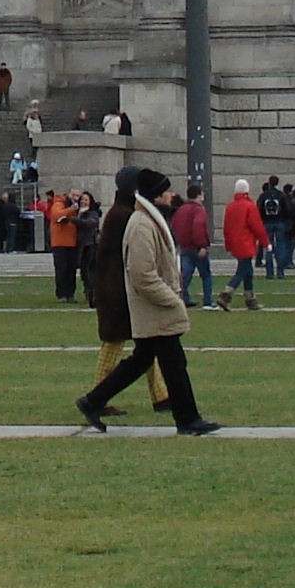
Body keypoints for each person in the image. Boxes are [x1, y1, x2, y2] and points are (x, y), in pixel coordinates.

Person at [76, 169, 220, 436]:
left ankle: (93, 400)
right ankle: (188, 419)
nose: (171, 195)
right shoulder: (141, 225)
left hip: (152, 307)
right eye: (166, 191)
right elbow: (142, 274)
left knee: (142, 360)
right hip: (153, 307)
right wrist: (173, 300)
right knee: (174, 363)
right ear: (156, 196)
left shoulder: (146, 220)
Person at [82, 166, 172, 418]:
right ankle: (97, 397)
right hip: (118, 294)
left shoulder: (122, 213)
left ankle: (161, 395)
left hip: (119, 292)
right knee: (114, 345)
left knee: (147, 345)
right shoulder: (124, 216)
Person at [216, 178, 268, 310]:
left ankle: (250, 299)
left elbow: (226, 228)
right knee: (243, 270)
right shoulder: (250, 206)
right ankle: (226, 294)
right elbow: (257, 227)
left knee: (247, 271)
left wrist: (228, 244)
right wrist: (266, 242)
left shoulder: (230, 207)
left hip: (235, 243)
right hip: (246, 243)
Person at [173, 183, 215, 309]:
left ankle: (183, 298)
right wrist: (202, 245)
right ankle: (208, 301)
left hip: (184, 246)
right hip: (196, 247)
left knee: (185, 275)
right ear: (199, 195)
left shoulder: (181, 209)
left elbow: (175, 225)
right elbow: (198, 227)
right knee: (206, 275)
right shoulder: (198, 209)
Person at [48, 190, 80, 302]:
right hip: (60, 243)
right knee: (61, 270)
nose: (75, 198)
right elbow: (56, 215)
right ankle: (61, 294)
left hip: (72, 242)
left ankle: (70, 294)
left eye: (77, 196)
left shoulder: (77, 206)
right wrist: (71, 210)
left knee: (71, 270)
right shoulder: (59, 203)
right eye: (74, 195)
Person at [257, 176, 290, 279]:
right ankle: (280, 271)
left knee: (268, 247)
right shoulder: (281, 195)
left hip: (267, 223)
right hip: (279, 222)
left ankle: (270, 272)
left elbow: (258, 209)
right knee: (280, 246)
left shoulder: (263, 196)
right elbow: (287, 209)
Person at [0, 190, 20, 254]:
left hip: (5, 222)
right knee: (10, 236)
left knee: (6, 237)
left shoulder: (4, 205)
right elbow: (17, 212)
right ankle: (7, 249)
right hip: (5, 223)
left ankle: (4, 249)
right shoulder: (5, 205)